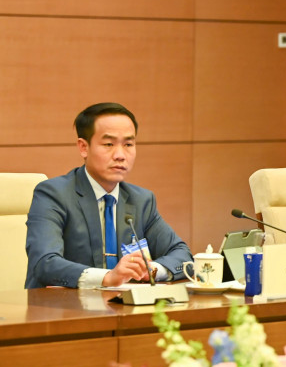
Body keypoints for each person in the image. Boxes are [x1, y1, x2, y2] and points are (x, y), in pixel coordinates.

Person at [25, 103, 192, 288]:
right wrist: (107, 278)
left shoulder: (141, 200)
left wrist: (151, 270)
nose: (120, 155)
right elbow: (44, 263)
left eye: (128, 144)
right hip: (62, 310)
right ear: (83, 147)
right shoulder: (54, 194)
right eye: (109, 144)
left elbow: (182, 254)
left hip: (123, 308)